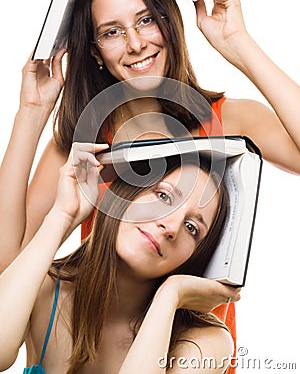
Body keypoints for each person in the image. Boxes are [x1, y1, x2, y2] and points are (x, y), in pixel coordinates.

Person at [0, 0, 299, 371]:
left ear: (169, 23)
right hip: (95, 343)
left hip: (190, 352)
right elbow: (8, 267)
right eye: (112, 32)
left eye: (145, 20)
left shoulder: (228, 120)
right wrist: (30, 114)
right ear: (96, 51)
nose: (136, 43)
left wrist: (238, 44)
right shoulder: (84, 144)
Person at [0, 142, 241, 373]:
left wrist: (169, 295)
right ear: (127, 191)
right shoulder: (47, 289)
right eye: (164, 196)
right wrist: (61, 216)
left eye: (191, 228)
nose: (171, 227)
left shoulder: (206, 342)